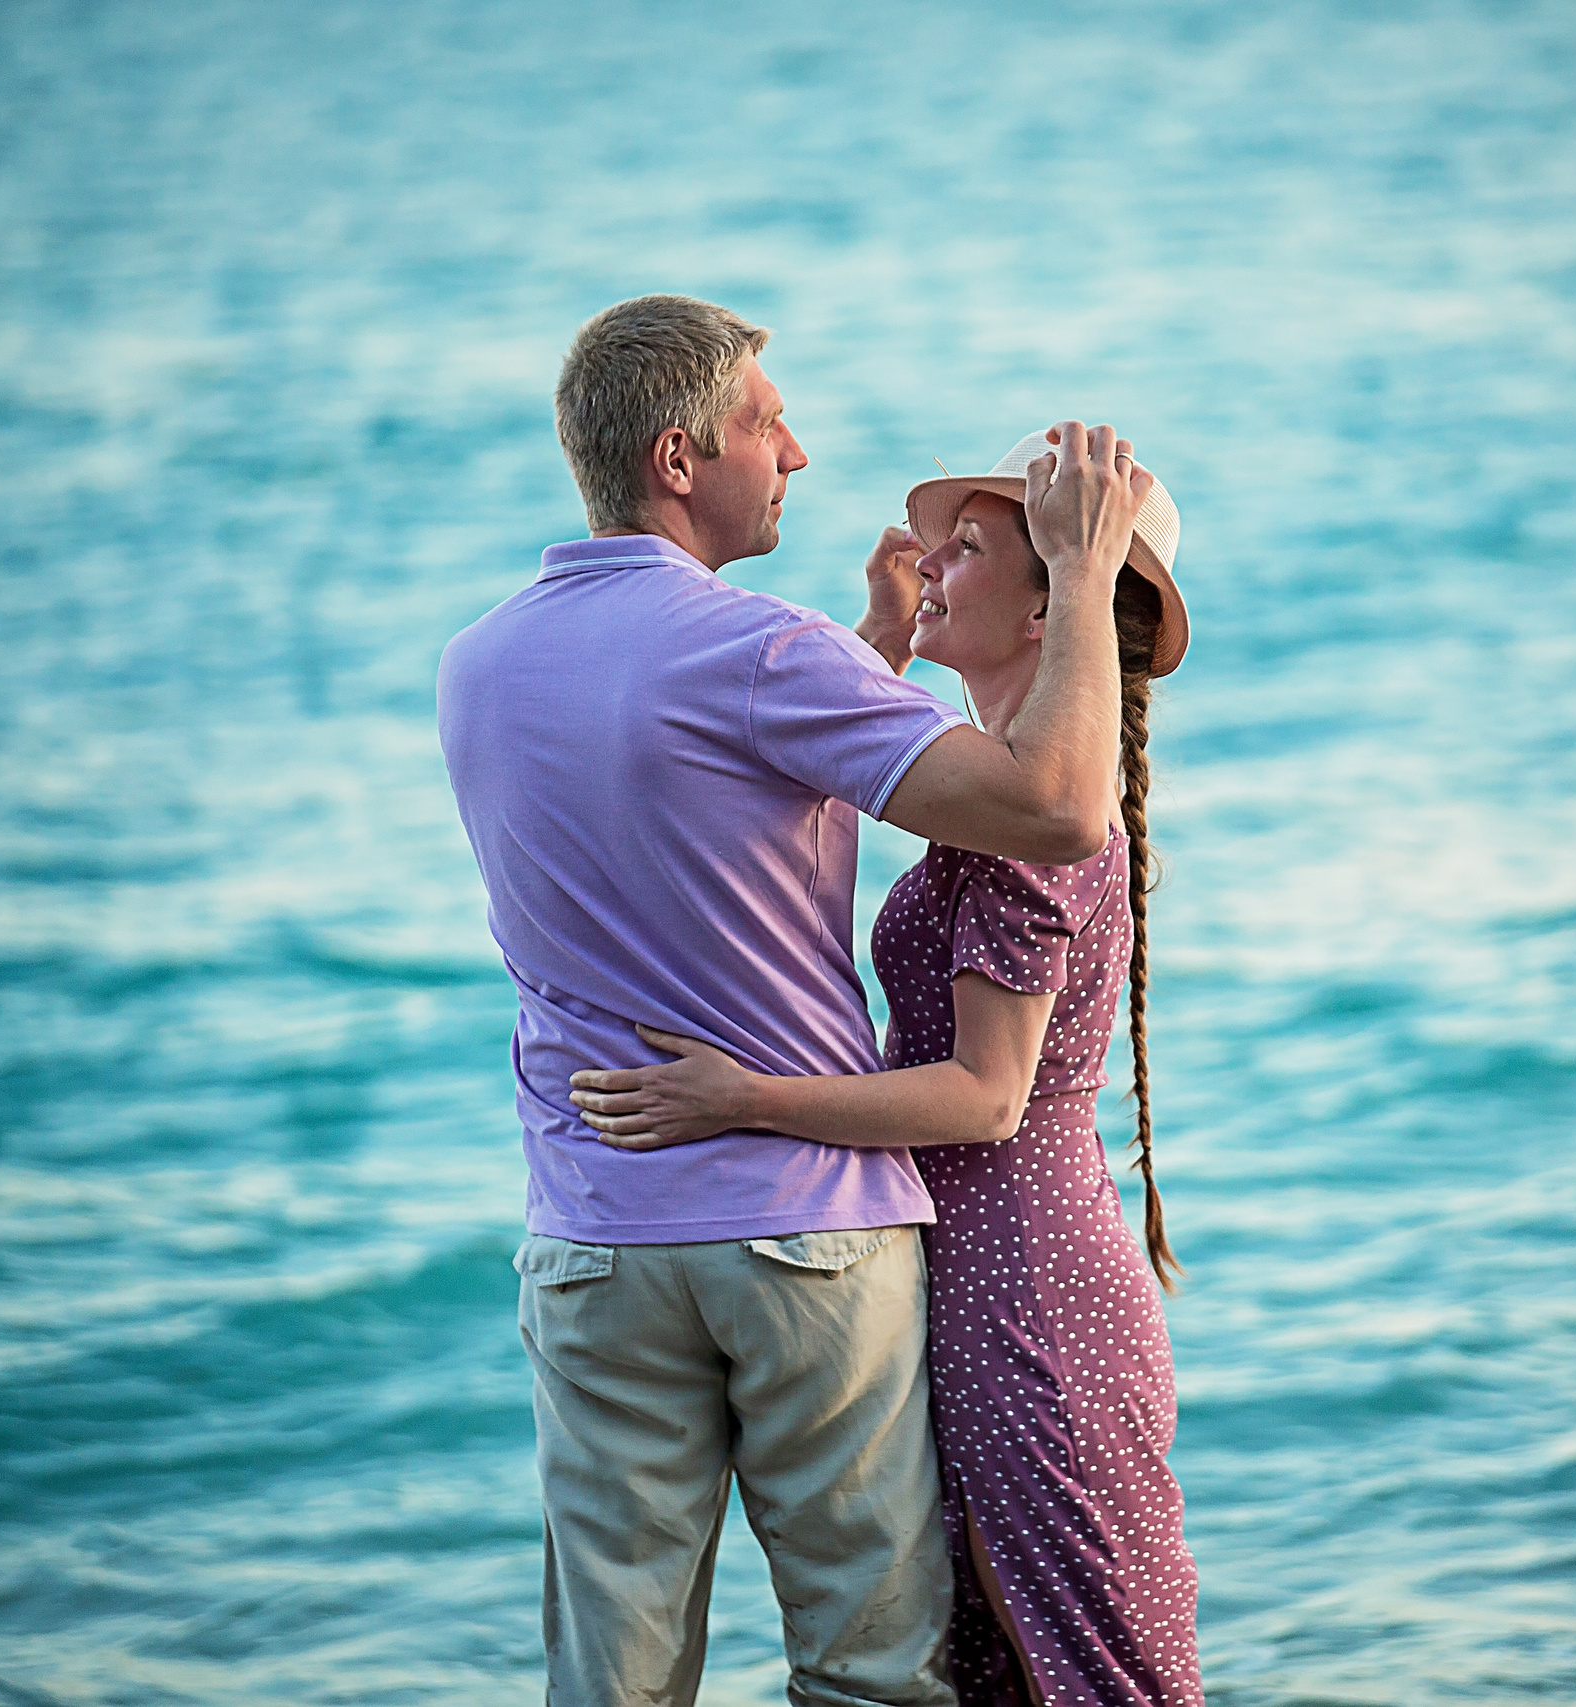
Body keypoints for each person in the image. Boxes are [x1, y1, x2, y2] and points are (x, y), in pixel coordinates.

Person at [435, 294, 1152, 1707]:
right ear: (681, 457)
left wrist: (872, 649)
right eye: (769, 421)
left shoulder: (477, 664)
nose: (800, 452)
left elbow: (696, 800)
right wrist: (1075, 576)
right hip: (801, 1237)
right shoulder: (767, 653)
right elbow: (1059, 808)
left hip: (595, 1233)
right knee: (870, 1666)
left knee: (612, 1677)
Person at [568, 432, 1201, 1707]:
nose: (934, 562)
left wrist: (738, 1099)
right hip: (980, 1279)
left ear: (1051, 601)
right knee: (994, 1659)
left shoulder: (1031, 830)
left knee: (1077, 1661)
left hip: (1026, 1303)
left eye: (971, 550)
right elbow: (801, 794)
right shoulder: (999, 797)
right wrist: (885, 637)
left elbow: (985, 1098)